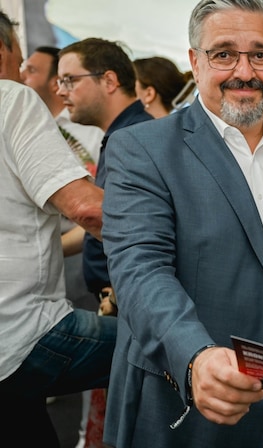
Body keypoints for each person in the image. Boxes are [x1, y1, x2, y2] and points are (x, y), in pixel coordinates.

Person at [100, 1, 263, 446]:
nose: (244, 71)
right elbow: (140, 270)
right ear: (195, 60)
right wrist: (197, 357)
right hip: (189, 403)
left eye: (260, 54)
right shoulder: (142, 148)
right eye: (224, 53)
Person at [0, 10, 116, 446]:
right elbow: (88, 209)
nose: (25, 73)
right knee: (160, 348)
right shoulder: (9, 97)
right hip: (20, 334)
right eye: (21, 59)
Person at [57, 36, 154, 446]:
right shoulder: (127, 134)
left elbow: (124, 224)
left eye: (70, 80)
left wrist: (119, 291)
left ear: (109, 79)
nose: (61, 92)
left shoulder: (136, 139)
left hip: (127, 307)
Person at [20, 44, 106, 448]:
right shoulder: (25, 115)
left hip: (80, 285)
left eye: (31, 68)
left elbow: (90, 211)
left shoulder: (82, 134)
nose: (24, 74)